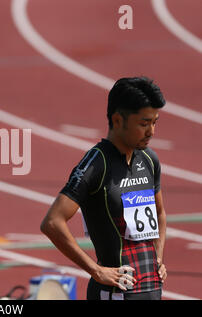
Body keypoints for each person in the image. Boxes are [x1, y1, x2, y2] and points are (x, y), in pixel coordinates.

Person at [41, 76, 168, 300]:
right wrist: (96, 270)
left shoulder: (149, 160)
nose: (151, 132)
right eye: (144, 124)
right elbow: (52, 222)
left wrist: (157, 258)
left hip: (152, 290)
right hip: (114, 293)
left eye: (154, 122)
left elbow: (159, 212)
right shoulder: (96, 163)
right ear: (118, 120)